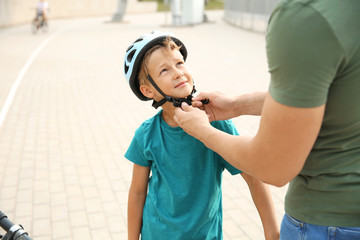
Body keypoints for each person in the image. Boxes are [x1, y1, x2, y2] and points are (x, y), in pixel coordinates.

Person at [174, 1, 360, 239]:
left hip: (327, 222)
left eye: (179, 63)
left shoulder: (307, 17)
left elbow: (273, 167)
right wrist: (236, 105)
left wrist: (203, 131)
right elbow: (336, 99)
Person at [124, 31, 280, 239]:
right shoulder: (147, 134)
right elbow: (137, 192)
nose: (178, 73)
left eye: (179, 63)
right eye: (164, 70)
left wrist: (272, 232)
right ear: (148, 91)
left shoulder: (215, 125)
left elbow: (254, 178)